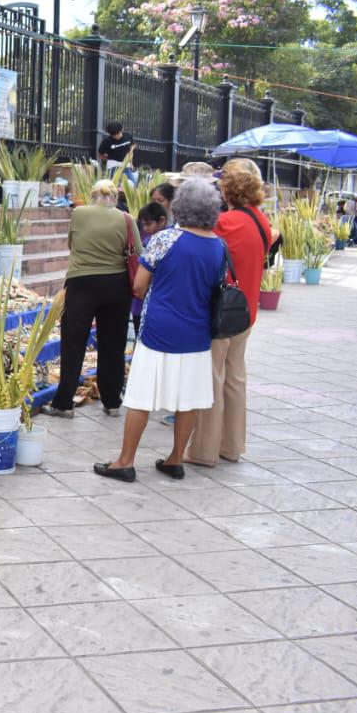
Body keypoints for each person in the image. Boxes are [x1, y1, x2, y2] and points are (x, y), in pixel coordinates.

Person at [95, 179, 228, 482]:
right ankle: (175, 459)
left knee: (141, 397)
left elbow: (139, 286)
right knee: (189, 399)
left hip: (159, 327)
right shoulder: (219, 246)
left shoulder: (165, 239)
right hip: (197, 332)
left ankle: (125, 461)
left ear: (180, 206)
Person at [186, 160, 273, 467]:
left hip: (221, 309)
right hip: (246, 308)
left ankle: (204, 451)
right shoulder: (261, 220)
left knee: (212, 376)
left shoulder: (228, 222)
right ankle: (232, 446)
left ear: (229, 191)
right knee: (235, 378)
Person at [46, 179, 141, 418]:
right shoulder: (126, 218)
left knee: (73, 342)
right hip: (116, 285)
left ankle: (64, 402)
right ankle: (111, 401)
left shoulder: (79, 213)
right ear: (115, 198)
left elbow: (71, 243)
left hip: (81, 282)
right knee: (113, 343)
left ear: (92, 195)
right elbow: (138, 251)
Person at [131, 202, 169, 335]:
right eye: (143, 224)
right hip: (146, 302)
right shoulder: (147, 240)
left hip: (150, 301)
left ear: (162, 221)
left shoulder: (152, 242)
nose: (145, 228)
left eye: (148, 224)